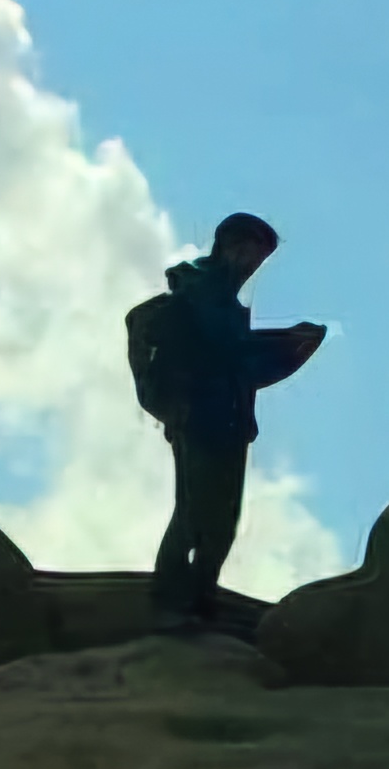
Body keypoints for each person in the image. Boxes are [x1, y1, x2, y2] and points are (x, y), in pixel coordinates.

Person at [137, 210, 326, 634]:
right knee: (193, 513)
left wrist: (289, 343)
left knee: (222, 521)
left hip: (230, 420)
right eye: (250, 251)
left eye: (260, 257)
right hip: (198, 415)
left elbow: (242, 358)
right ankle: (169, 601)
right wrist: (287, 340)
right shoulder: (201, 289)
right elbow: (227, 347)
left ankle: (200, 599)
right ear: (228, 246)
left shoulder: (222, 299)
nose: (253, 263)